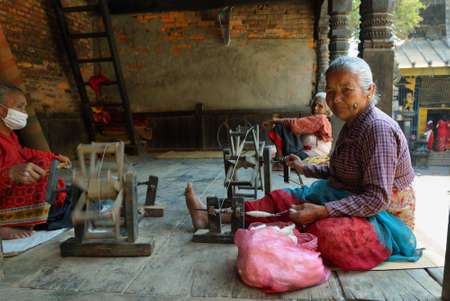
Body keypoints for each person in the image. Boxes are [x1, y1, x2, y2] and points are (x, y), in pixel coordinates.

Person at [186, 56, 421, 271]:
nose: (335, 98)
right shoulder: (352, 123)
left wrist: (322, 211)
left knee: (322, 233)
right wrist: (304, 168)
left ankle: (277, 231)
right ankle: (210, 216)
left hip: (384, 217)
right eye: (330, 91)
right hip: (349, 196)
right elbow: (341, 171)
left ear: (369, 91)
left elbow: (377, 198)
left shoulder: (377, 129)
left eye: (346, 90)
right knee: (282, 200)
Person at [0, 83, 71, 240]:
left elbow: (25, 152)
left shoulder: (9, 136)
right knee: (44, 176)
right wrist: (8, 174)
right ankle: (4, 224)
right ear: (2, 111)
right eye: (20, 107)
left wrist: (55, 157)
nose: (24, 113)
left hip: (10, 191)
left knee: (43, 164)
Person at [262, 93, 332, 168]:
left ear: (327, 112)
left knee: (280, 127)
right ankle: (280, 160)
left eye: (320, 106)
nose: (315, 108)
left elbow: (294, 123)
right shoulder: (319, 121)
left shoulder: (321, 119)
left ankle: (280, 162)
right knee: (284, 128)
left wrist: (273, 121)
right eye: (314, 105)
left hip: (309, 158)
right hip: (305, 155)